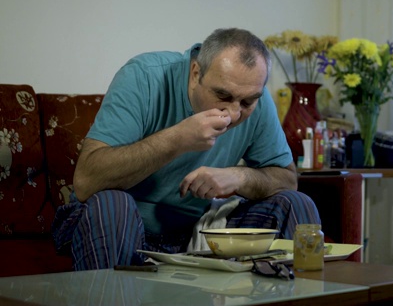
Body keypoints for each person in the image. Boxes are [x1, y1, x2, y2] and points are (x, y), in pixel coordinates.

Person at [52, 28, 321, 270]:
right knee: (114, 203)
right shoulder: (144, 76)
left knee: (296, 203)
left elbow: (287, 179)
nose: (235, 112)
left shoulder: (257, 102)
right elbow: (87, 182)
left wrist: (239, 177)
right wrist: (177, 139)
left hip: (196, 232)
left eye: (248, 102)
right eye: (223, 96)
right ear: (195, 74)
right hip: (113, 223)